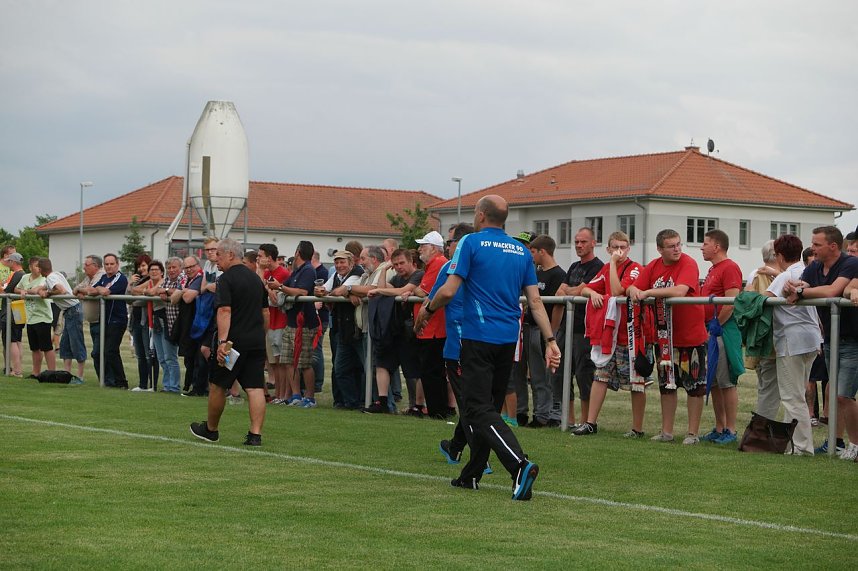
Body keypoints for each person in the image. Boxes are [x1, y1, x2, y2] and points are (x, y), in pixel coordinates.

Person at [415, 195, 561, 501]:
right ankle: (471, 475)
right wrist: (551, 340)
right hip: (508, 339)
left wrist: (426, 312)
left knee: (476, 408)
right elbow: (535, 302)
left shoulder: (471, 243)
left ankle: (519, 465)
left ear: (481, 215)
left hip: (478, 337)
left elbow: (449, 289)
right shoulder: (521, 250)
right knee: (487, 409)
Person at [627, 229, 708, 445]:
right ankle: (667, 431)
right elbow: (634, 286)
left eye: (679, 244)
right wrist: (635, 291)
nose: (677, 249)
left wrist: (649, 292)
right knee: (667, 386)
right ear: (660, 249)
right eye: (671, 246)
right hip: (665, 339)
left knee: (695, 387)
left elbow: (681, 290)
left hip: (691, 338)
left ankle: (692, 433)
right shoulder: (654, 266)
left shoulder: (688, 263)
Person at [784, 225, 858, 458]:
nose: (812, 248)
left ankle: (855, 445)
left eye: (817, 244)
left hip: (853, 340)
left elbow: (832, 291)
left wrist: (802, 293)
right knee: (833, 393)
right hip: (830, 339)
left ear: (833, 246)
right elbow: (803, 286)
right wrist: (793, 287)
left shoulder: (850, 263)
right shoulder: (814, 266)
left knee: (843, 396)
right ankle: (835, 442)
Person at [190, 238, 269, 446]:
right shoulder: (256, 279)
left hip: (233, 342)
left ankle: (211, 429)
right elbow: (265, 311)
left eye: (219, 254)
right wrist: (262, 335)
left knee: (218, 384)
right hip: (256, 340)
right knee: (254, 388)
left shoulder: (226, 280)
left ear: (231, 255)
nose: (216, 259)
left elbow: (225, 310)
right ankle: (255, 434)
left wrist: (223, 342)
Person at [573, 231, 650, 437]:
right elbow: (585, 290)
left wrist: (614, 264)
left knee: (636, 382)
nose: (619, 251)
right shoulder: (606, 268)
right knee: (600, 376)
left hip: (629, 334)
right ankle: (591, 423)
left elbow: (617, 291)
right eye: (615, 247)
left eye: (623, 247)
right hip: (609, 335)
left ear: (628, 248)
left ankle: (637, 429)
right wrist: (595, 293)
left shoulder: (634, 269)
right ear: (607, 249)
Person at [760, 234, 822, 455]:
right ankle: (791, 444)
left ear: (778, 255)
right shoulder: (805, 272)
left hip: (791, 341)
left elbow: (763, 299)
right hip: (811, 341)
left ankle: (803, 448)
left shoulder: (786, 275)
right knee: (795, 395)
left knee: (792, 397)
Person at [552, 227, 603, 427]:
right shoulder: (573, 266)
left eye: (583, 242)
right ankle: (569, 419)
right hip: (566, 327)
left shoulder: (598, 267)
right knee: (560, 373)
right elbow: (560, 292)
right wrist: (573, 290)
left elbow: (584, 291)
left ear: (593, 243)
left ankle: (586, 420)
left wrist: (572, 291)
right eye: (577, 242)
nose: (579, 245)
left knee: (584, 375)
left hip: (585, 329)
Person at [365, 248, 424, 413]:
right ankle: (382, 403)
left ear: (411, 261)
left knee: (412, 370)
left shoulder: (418, 275)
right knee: (382, 363)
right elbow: (386, 288)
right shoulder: (397, 277)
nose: (398, 267)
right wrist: (384, 269)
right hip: (394, 328)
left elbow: (392, 291)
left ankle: (418, 406)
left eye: (402, 263)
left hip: (411, 329)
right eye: (395, 264)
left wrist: (378, 290)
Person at [699, 229, 745, 444]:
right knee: (715, 382)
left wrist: (717, 325)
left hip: (723, 331)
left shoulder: (730, 267)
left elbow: (732, 300)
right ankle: (719, 427)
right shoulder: (712, 270)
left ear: (717, 247)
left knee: (726, 382)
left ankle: (731, 429)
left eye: (705, 243)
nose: (701, 247)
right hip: (712, 330)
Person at [522, 235, 565, 428]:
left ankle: (549, 414)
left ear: (542, 251)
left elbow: (557, 307)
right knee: (537, 375)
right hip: (531, 328)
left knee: (548, 375)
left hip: (545, 330)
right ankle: (539, 413)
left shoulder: (558, 275)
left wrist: (551, 334)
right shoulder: (536, 274)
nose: (531, 256)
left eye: (532, 251)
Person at [270, 240, 320, 407]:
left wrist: (280, 286)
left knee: (304, 362)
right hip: (291, 322)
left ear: (298, 252)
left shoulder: (308, 270)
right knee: (288, 361)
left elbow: (302, 291)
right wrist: (275, 289)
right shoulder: (297, 271)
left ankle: (310, 397)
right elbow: (287, 289)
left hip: (304, 322)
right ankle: (296, 395)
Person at [316, 250, 365, 409]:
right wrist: (326, 292)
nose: (339, 265)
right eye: (337, 262)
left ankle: (364, 401)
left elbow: (340, 290)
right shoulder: (337, 275)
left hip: (357, 329)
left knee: (363, 367)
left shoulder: (358, 273)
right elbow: (323, 289)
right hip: (342, 328)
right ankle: (351, 402)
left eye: (342, 262)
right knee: (341, 369)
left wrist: (337, 293)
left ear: (351, 263)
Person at [411, 231, 449, 418]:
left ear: (433, 248)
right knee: (434, 371)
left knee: (431, 371)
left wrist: (417, 290)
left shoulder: (438, 264)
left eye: (423, 246)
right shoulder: (436, 264)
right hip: (433, 327)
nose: (419, 250)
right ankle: (439, 409)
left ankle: (437, 411)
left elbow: (423, 291)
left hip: (433, 327)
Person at [38, 257, 86, 381]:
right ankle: (66, 375)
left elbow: (61, 290)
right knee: (65, 345)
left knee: (76, 343)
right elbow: (40, 288)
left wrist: (48, 294)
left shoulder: (51, 277)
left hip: (72, 310)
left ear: (40, 269)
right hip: (69, 312)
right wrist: (41, 291)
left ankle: (80, 376)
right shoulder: (55, 274)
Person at [257, 243, 291, 403]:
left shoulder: (282, 273)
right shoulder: (266, 273)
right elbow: (258, 290)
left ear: (269, 258)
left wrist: (267, 289)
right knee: (274, 362)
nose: (258, 259)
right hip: (271, 322)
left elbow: (275, 299)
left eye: (260, 256)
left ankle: (284, 394)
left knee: (282, 362)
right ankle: (278, 394)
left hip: (281, 321)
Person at [142, 261, 181, 393]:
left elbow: (158, 291)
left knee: (170, 356)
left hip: (169, 321)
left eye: (174, 267)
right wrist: (161, 291)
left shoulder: (181, 279)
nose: (171, 270)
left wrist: (162, 290)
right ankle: (167, 386)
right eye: (169, 267)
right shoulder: (166, 282)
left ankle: (174, 387)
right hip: (156, 321)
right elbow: (153, 291)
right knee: (162, 357)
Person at [15, 257, 56, 377]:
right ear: (30, 267)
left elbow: (37, 290)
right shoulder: (24, 277)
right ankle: (35, 372)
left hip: (42, 317)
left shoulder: (45, 279)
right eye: (36, 266)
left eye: (40, 266)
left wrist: (27, 291)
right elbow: (16, 288)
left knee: (47, 347)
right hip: (30, 317)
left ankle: (52, 373)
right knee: (34, 348)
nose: (38, 269)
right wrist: (21, 291)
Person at [128, 254, 159, 391]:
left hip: (147, 321)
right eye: (139, 266)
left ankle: (152, 384)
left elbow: (141, 299)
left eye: (144, 265)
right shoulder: (137, 281)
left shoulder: (151, 280)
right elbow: (128, 297)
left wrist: (136, 292)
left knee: (149, 354)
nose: (141, 269)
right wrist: (131, 284)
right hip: (135, 321)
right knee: (140, 354)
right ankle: (142, 384)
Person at [73, 255, 105, 381]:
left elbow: (92, 290)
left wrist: (83, 292)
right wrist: (81, 291)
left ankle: (106, 379)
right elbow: (75, 289)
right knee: (96, 353)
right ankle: (102, 379)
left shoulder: (101, 276)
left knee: (98, 352)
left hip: (102, 320)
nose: (84, 268)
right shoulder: (88, 278)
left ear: (95, 266)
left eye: (87, 265)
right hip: (93, 321)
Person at [1, 250, 25, 377]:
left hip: (11, 311)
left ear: (13, 262)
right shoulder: (22, 274)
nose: (7, 263)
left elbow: (7, 291)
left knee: (11, 340)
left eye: (9, 261)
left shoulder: (17, 274)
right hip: (18, 310)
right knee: (18, 340)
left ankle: (16, 370)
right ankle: (18, 368)